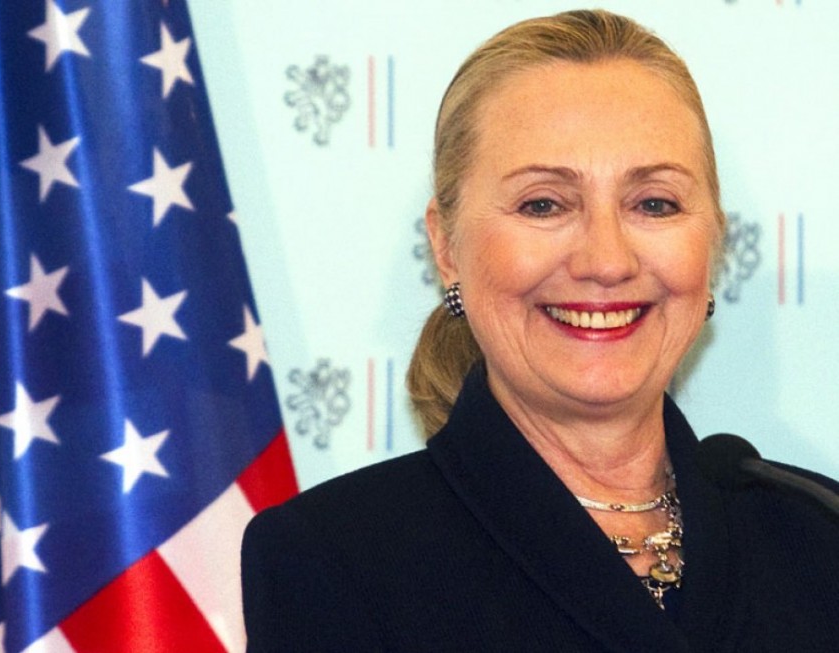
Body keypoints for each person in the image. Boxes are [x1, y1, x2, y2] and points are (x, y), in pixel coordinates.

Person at [241, 9, 839, 652]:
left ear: (712, 238)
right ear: (446, 246)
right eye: (544, 204)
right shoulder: (333, 559)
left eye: (654, 203)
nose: (607, 261)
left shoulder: (818, 530)